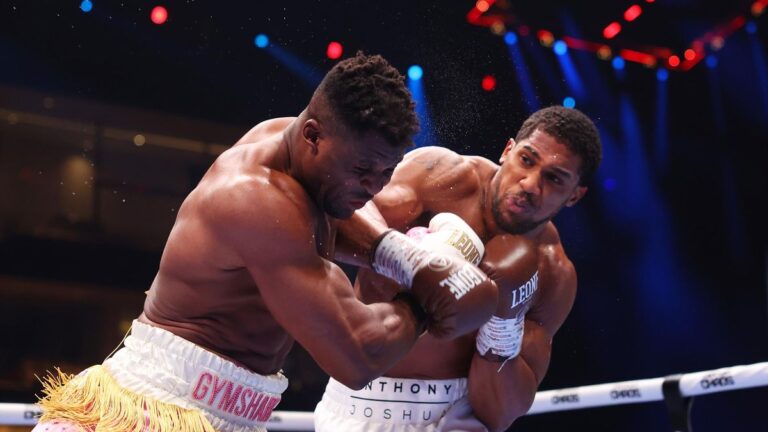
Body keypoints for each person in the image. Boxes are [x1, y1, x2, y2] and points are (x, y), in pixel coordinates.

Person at [34, 52, 499, 432]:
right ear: (314, 136)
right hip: (150, 412)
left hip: (229, 415)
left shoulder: (294, 148)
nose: (374, 188)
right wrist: (429, 297)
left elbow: (353, 216)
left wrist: (404, 255)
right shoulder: (257, 201)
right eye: (362, 171)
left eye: (385, 172)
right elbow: (357, 356)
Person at [314, 106, 602, 431]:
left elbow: (501, 413)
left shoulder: (552, 271)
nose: (530, 184)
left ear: (575, 196)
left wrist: (503, 325)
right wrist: (413, 260)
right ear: (508, 150)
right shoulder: (441, 177)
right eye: (527, 159)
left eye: (554, 178)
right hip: (362, 399)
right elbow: (338, 213)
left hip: (460, 415)